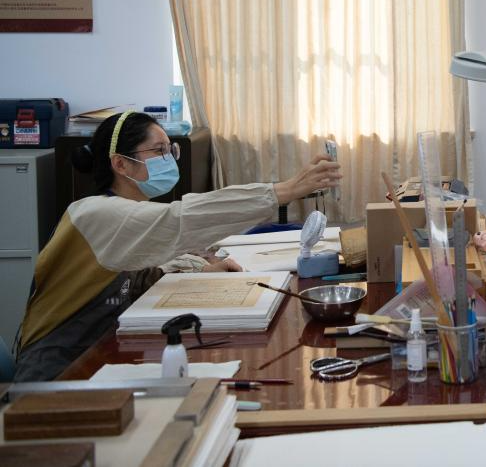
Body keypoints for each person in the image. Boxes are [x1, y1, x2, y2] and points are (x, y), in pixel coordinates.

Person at [14, 110, 341, 381]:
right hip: (56, 372)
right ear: (121, 164)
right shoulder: (95, 213)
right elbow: (181, 219)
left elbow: (135, 276)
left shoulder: (123, 212)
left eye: (171, 149)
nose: (169, 158)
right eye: (158, 151)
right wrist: (283, 191)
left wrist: (202, 269)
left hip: (100, 358)